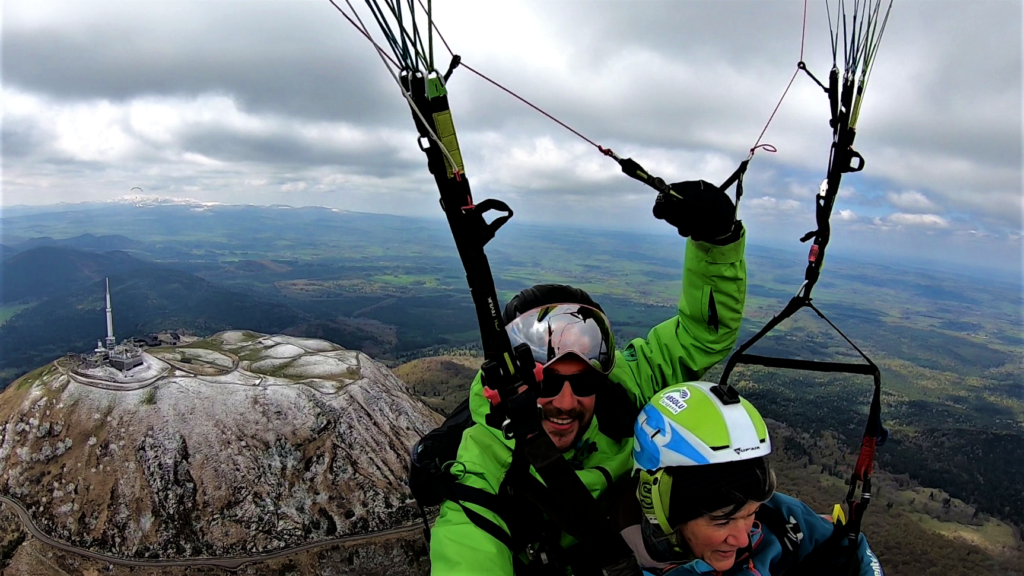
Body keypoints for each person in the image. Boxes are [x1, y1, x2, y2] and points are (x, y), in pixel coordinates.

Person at [428, 180, 750, 575]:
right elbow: (467, 549)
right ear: (514, 385)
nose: (566, 402)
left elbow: (703, 333)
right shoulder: (487, 463)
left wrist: (717, 241)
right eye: (546, 383)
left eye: (583, 383)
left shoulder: (623, 384)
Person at [613, 382, 883, 576]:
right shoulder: (615, 560)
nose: (742, 539)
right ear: (660, 507)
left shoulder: (780, 517)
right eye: (723, 521)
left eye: (750, 514)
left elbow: (852, 549)